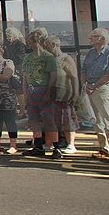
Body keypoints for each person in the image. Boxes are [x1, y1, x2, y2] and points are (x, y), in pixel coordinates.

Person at [22, 30, 63, 158]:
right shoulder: (28, 58)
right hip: (32, 90)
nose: (28, 43)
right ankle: (38, 146)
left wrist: (49, 91)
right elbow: (25, 77)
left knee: (49, 120)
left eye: (30, 40)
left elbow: (53, 75)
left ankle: (57, 147)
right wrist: (25, 94)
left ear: (36, 41)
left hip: (44, 89)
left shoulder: (48, 57)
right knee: (34, 120)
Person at [44, 36, 79, 154]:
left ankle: (71, 144)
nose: (45, 48)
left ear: (54, 45)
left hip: (64, 93)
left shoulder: (65, 58)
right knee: (53, 120)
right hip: (52, 94)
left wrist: (75, 93)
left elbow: (74, 77)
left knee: (68, 119)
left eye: (47, 45)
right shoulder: (49, 59)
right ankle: (51, 143)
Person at [81, 27, 109, 160]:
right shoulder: (90, 53)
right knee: (97, 120)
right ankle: (104, 147)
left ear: (102, 39)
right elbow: (84, 69)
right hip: (89, 88)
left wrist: (94, 85)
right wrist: (85, 84)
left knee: (107, 117)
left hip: (102, 88)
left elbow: (108, 74)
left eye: (94, 36)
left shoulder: (108, 52)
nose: (90, 39)